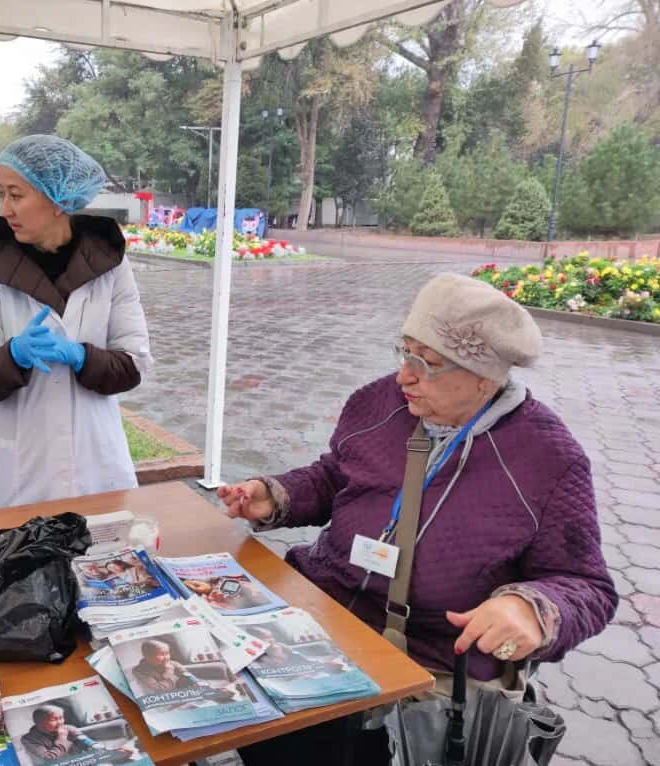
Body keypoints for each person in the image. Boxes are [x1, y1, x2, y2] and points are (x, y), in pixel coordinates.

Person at [218, 272, 617, 764]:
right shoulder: (379, 402)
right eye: (403, 352)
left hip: (427, 668)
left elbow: (587, 585)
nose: (404, 375)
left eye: (425, 363)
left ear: (482, 376)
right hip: (322, 617)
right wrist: (276, 495)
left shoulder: (547, 457)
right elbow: (334, 475)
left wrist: (533, 608)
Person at [0, 134, 152, 509]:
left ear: (57, 199)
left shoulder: (109, 262)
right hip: (20, 475)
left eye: (16, 195)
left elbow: (134, 365)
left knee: (101, 558)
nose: (5, 208)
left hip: (97, 466)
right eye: (2, 193)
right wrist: (13, 356)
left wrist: (82, 357)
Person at [19, 705, 97, 765]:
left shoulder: (69, 728)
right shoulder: (29, 739)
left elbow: (84, 740)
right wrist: (62, 739)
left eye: (61, 718)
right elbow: (50, 758)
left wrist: (92, 745)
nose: (60, 722)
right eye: (54, 719)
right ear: (40, 723)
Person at [130, 639, 205, 695]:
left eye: (167, 653)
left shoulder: (173, 663)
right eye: (162, 654)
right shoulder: (140, 671)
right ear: (148, 657)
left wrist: (196, 682)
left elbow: (186, 674)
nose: (166, 657)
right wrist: (169, 672)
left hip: (183, 692)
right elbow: (160, 689)